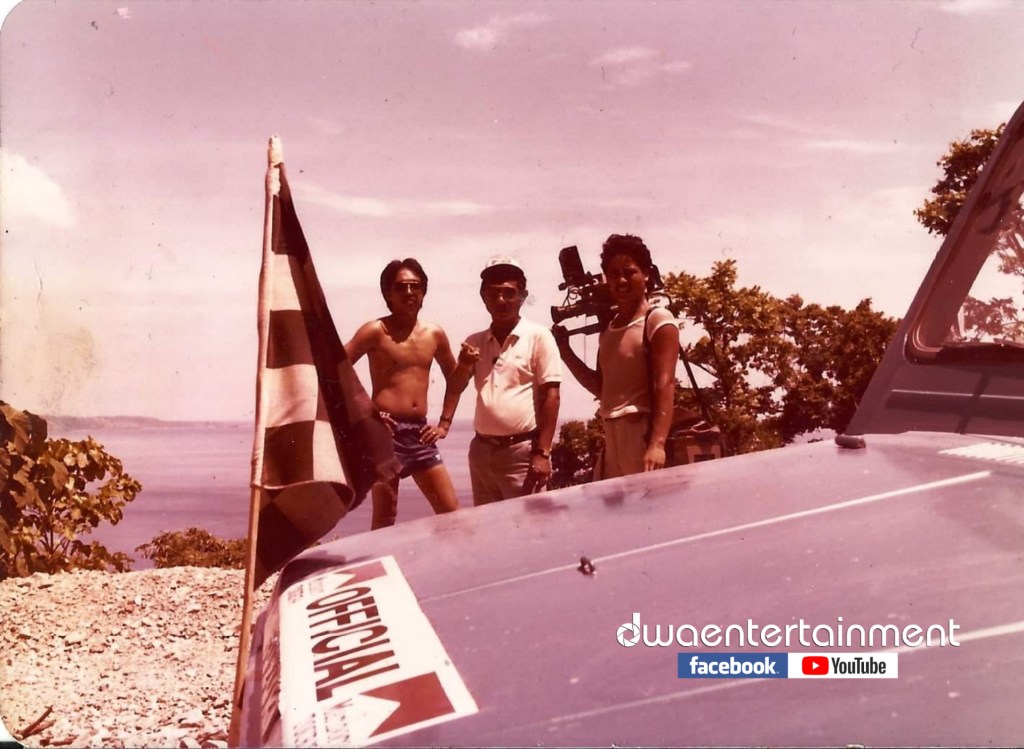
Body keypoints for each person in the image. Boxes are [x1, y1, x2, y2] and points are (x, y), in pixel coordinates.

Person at [344, 258, 461, 529]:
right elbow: (335, 368)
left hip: (420, 434)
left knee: (451, 511)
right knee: (386, 516)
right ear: (388, 293)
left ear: (423, 291)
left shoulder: (435, 334)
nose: (409, 292)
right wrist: (365, 413)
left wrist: (444, 424)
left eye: (415, 286)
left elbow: (456, 380)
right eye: (401, 287)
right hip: (385, 435)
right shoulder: (375, 331)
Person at [552, 234, 679, 479]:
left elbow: (665, 384)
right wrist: (565, 351)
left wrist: (657, 444)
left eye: (629, 272)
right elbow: (602, 389)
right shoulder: (610, 329)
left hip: (641, 434)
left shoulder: (657, 320)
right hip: (611, 437)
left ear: (646, 274)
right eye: (613, 274)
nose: (621, 280)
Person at [438, 255, 562, 505]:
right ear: (483, 297)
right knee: (488, 527)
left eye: (509, 293)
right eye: (494, 293)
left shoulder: (538, 336)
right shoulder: (474, 342)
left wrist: (543, 453)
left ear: (523, 296)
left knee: (529, 524)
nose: (501, 300)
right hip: (481, 452)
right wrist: (464, 365)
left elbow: (552, 395)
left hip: (521, 454)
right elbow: (455, 388)